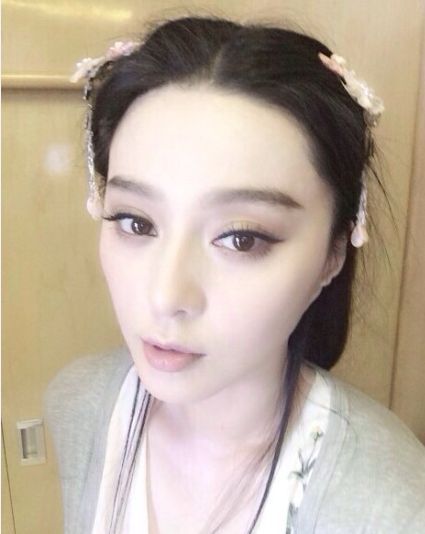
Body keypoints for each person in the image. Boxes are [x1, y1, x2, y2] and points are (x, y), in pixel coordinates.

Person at [43, 13, 425, 534]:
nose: (166, 295)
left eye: (241, 238)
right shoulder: (78, 405)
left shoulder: (395, 508)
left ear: (334, 252)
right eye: (136, 222)